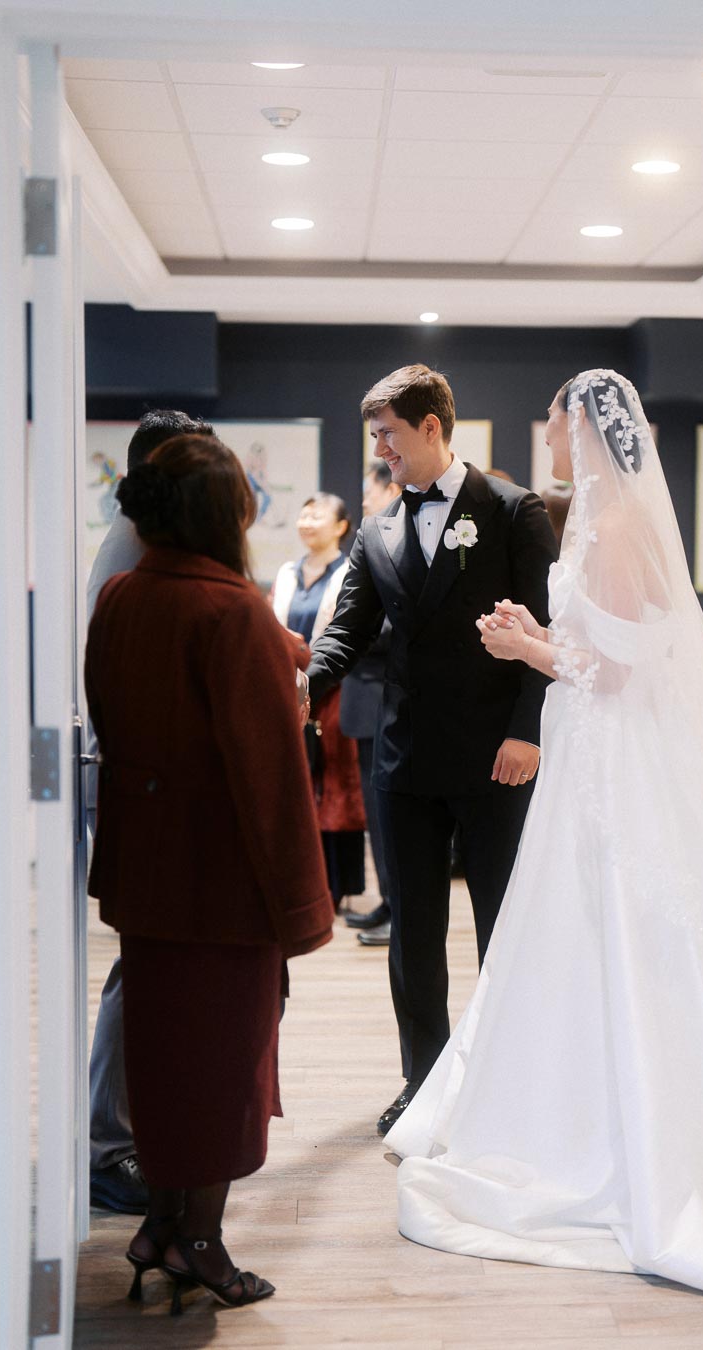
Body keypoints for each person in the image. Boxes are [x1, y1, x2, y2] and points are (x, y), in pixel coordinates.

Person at [386, 369, 703, 1310]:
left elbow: (615, 673)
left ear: (579, 426)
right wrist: (541, 633)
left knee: (611, 919)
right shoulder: (603, 521)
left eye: (551, 419)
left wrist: (529, 651)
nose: (544, 433)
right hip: (600, 754)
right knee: (577, 926)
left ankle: (609, 1117)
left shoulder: (616, 527)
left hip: (613, 758)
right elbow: (616, 645)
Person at [86, 434, 333, 1312]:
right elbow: (270, 780)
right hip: (225, 885)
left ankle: (159, 1223)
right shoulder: (230, 614)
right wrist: (305, 910)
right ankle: (201, 1242)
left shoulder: (122, 597)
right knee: (226, 1066)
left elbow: (112, 721)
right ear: (221, 516)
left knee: (163, 1059)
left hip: (146, 870)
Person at [307, 365, 558, 1135]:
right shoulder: (377, 528)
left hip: (496, 757)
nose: (380, 449)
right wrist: (299, 690)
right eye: (374, 435)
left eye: (388, 433)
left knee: (501, 927)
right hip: (404, 762)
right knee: (413, 932)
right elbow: (347, 628)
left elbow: (546, 629)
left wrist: (527, 730)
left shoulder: (514, 512)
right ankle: (425, 1081)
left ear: (431, 427)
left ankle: (513, 1079)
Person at [87, 408, 214, 1216]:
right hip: (146, 786)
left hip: (144, 783)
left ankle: (126, 1132)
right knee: (142, 968)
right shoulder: (137, 554)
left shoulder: (130, 540)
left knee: (149, 967)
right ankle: (109, 1145)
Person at [272, 494, 366, 909]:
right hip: (286, 687)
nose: (307, 521)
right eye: (304, 513)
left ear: (342, 526)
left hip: (332, 690)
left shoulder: (348, 571)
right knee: (299, 786)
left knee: (338, 788)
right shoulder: (287, 573)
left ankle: (339, 887)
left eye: (318, 515)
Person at [340, 461, 401, 947]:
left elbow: (386, 626)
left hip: (385, 693)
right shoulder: (374, 540)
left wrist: (346, 634)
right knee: (375, 815)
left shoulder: (400, 544)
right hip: (363, 697)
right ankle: (387, 899)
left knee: (388, 812)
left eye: (370, 492)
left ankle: (397, 908)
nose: (364, 501)